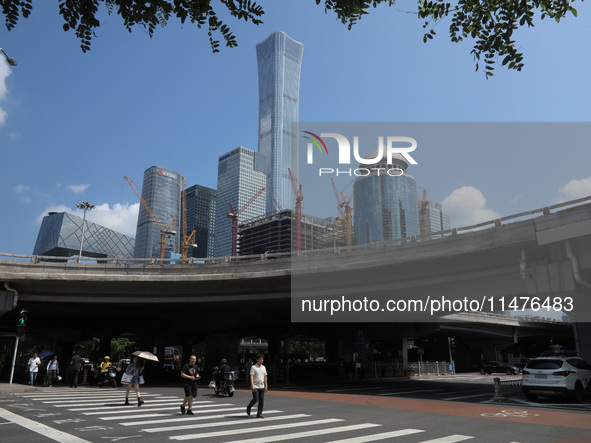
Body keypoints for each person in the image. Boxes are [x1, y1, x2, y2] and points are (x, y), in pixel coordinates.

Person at [246, 354, 268, 418]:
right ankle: (249, 406)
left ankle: (259, 413)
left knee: (261, 400)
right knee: (256, 399)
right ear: (257, 360)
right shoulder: (253, 367)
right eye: (260, 359)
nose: (261, 360)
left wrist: (266, 386)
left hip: (262, 386)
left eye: (262, 359)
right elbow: (251, 376)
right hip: (255, 386)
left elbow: (265, 377)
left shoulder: (263, 367)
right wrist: (252, 385)